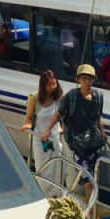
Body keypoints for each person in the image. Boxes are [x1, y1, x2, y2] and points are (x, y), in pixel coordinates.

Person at [43, 64, 106, 219]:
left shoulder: (98, 95)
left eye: (90, 79)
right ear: (78, 80)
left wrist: (102, 130)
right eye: (84, 79)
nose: (87, 82)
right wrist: (47, 130)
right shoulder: (71, 96)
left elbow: (99, 115)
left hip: (93, 142)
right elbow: (58, 114)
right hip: (78, 144)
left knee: (92, 179)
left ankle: (89, 210)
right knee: (87, 179)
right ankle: (92, 212)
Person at [21, 70, 65, 198]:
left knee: (57, 168)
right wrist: (27, 125)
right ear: (43, 85)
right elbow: (29, 118)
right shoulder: (34, 98)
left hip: (55, 137)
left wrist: (63, 128)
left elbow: (63, 117)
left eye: (54, 84)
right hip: (41, 139)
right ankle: (45, 197)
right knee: (44, 170)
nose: (52, 87)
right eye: (49, 85)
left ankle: (57, 196)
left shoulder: (59, 97)